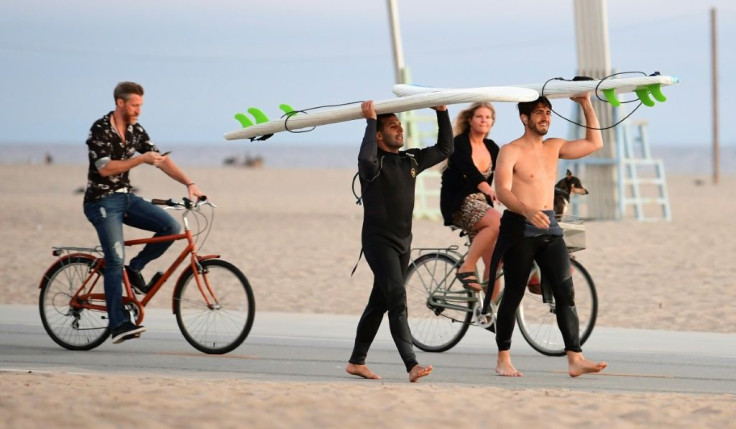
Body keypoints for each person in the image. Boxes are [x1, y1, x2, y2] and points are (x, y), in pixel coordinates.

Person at [484, 94, 607, 377]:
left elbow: (594, 143)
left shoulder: (554, 147)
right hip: (519, 227)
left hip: (550, 226)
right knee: (513, 293)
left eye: (549, 112)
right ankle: (503, 357)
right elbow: (502, 190)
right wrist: (527, 211)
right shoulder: (510, 150)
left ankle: (575, 358)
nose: (545, 117)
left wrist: (586, 103)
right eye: (539, 112)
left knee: (566, 291)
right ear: (524, 118)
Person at [83, 81, 205, 344]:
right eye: (135, 105)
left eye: (141, 106)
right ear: (120, 103)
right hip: (101, 202)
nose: (139, 110)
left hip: (125, 198)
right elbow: (104, 168)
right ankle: (118, 324)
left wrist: (189, 183)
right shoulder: (100, 129)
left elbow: (159, 159)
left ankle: (135, 268)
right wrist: (140, 159)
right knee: (114, 260)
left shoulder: (135, 130)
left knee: (170, 228)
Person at [346, 100, 453, 382]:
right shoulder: (372, 167)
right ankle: (411, 364)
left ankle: (356, 362)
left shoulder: (411, 160)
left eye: (400, 124)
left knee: (379, 302)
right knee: (397, 298)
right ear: (379, 135)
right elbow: (365, 159)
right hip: (378, 242)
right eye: (392, 125)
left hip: (403, 242)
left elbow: (445, 149)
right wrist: (370, 122)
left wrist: (442, 113)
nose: (400, 128)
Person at [439, 102, 501, 298]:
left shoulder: (492, 147)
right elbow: (470, 171)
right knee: (497, 222)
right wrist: (488, 189)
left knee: (495, 263)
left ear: (492, 122)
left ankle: (489, 313)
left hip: (482, 206)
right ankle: (467, 267)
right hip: (459, 202)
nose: (484, 120)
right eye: (479, 116)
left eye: (488, 117)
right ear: (470, 120)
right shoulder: (459, 143)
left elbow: (506, 174)